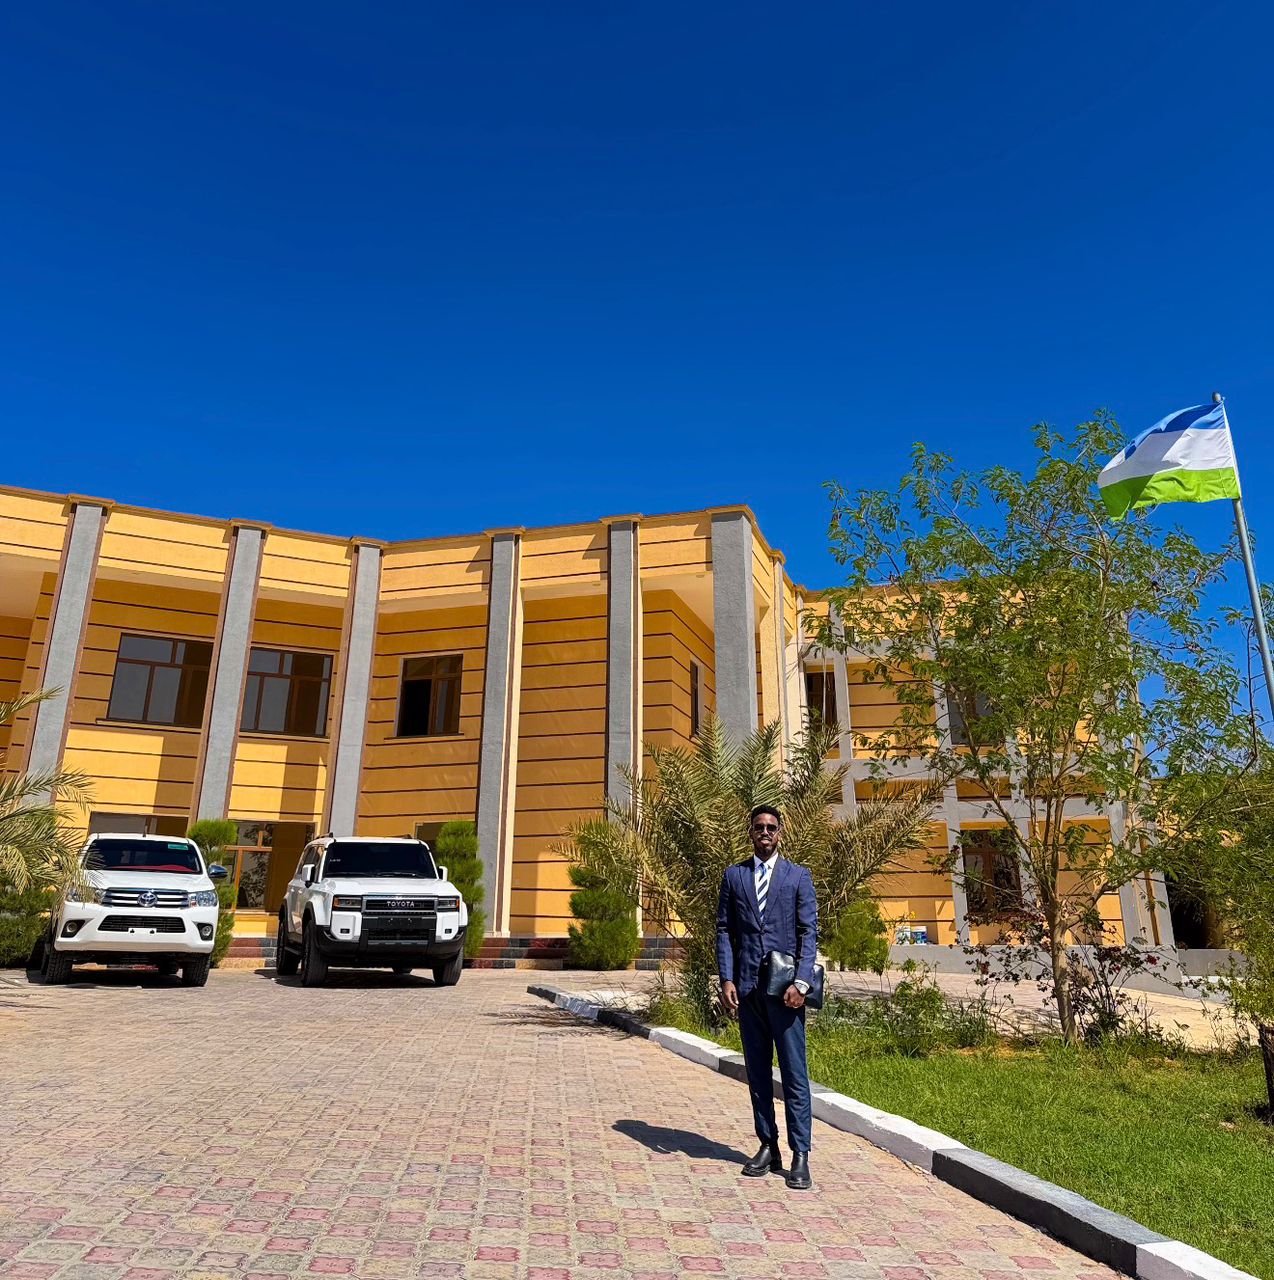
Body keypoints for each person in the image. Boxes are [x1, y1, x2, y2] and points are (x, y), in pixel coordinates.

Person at [716, 804, 817, 1190]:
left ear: (780, 833)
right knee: (757, 1074)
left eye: (771, 827)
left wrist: (802, 983)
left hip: (786, 993)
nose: (765, 832)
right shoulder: (734, 876)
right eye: (758, 827)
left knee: (794, 1074)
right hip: (747, 992)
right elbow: (725, 930)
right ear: (750, 832)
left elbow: (809, 933)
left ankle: (800, 1153)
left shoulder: (798, 877)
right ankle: (767, 1145)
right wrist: (726, 978)